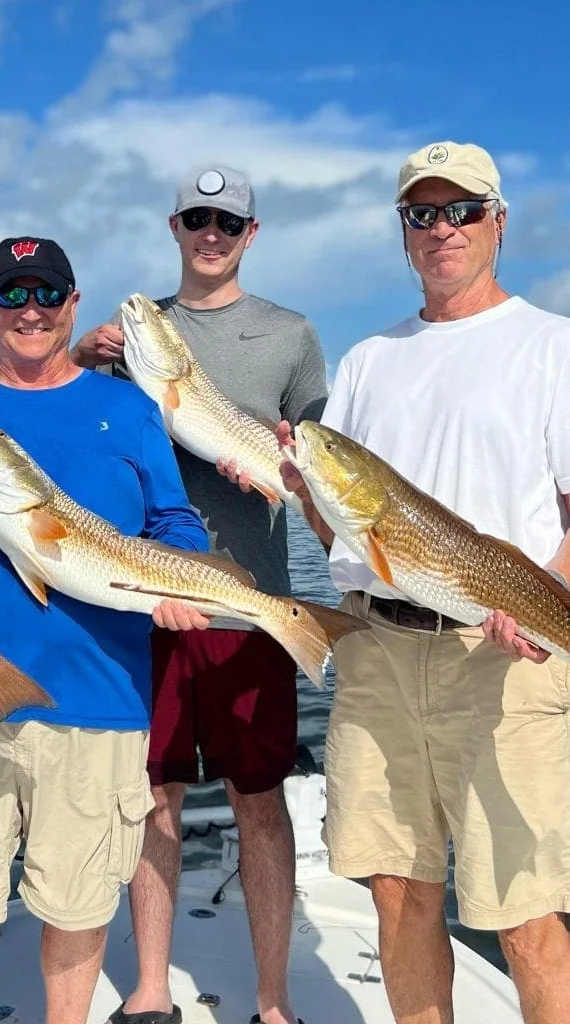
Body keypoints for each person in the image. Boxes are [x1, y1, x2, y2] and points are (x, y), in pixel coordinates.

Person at [277, 141, 570, 1024]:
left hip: (503, 658)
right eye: (421, 214)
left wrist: (542, 611)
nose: (441, 229)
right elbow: (349, 534)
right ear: (402, 232)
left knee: (522, 914)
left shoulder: (551, 345)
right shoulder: (368, 360)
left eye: (460, 210)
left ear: (497, 221)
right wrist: (307, 490)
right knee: (395, 895)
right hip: (375, 652)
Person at [0, 236, 210, 1024]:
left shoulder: (127, 407)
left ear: (71, 304)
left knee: (75, 911)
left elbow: (174, 522)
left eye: (44, 295)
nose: (28, 311)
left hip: (97, 702)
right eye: (10, 295)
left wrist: (175, 581)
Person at [73, 166, 327, 1024]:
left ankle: (272, 999)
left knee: (261, 799)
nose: (210, 233)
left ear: (250, 234)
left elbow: (320, 466)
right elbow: (88, 429)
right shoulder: (126, 340)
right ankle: (148, 989)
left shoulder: (291, 335)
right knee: (155, 795)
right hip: (154, 595)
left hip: (257, 603)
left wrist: (283, 462)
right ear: (173, 226)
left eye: (227, 221)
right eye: (195, 218)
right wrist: (81, 356)